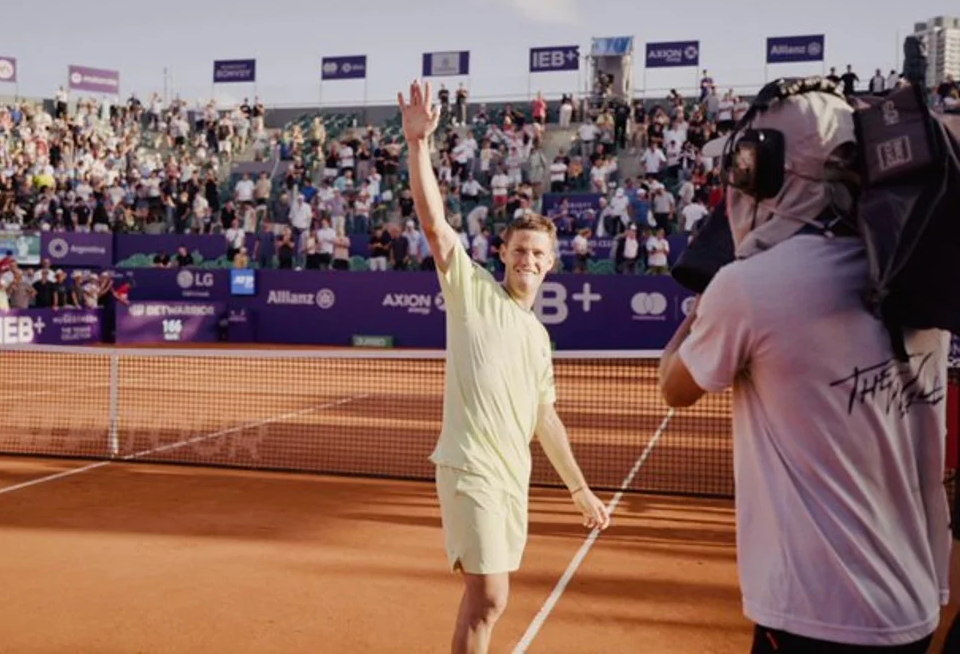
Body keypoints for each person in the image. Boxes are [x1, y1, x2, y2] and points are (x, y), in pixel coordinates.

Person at [658, 86, 951, 653]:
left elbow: (674, 387)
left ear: (767, 170)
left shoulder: (750, 289)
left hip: (816, 614)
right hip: (912, 607)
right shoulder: (915, 266)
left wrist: (694, 321)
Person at [397, 80, 610, 654]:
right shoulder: (472, 291)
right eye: (519, 250)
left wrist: (580, 490)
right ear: (504, 253)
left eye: (538, 254)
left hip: (513, 479)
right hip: (470, 470)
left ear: (551, 263)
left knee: (488, 603)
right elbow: (436, 226)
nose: (528, 260)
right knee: (490, 596)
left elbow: (547, 419)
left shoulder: (539, 338)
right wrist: (418, 144)